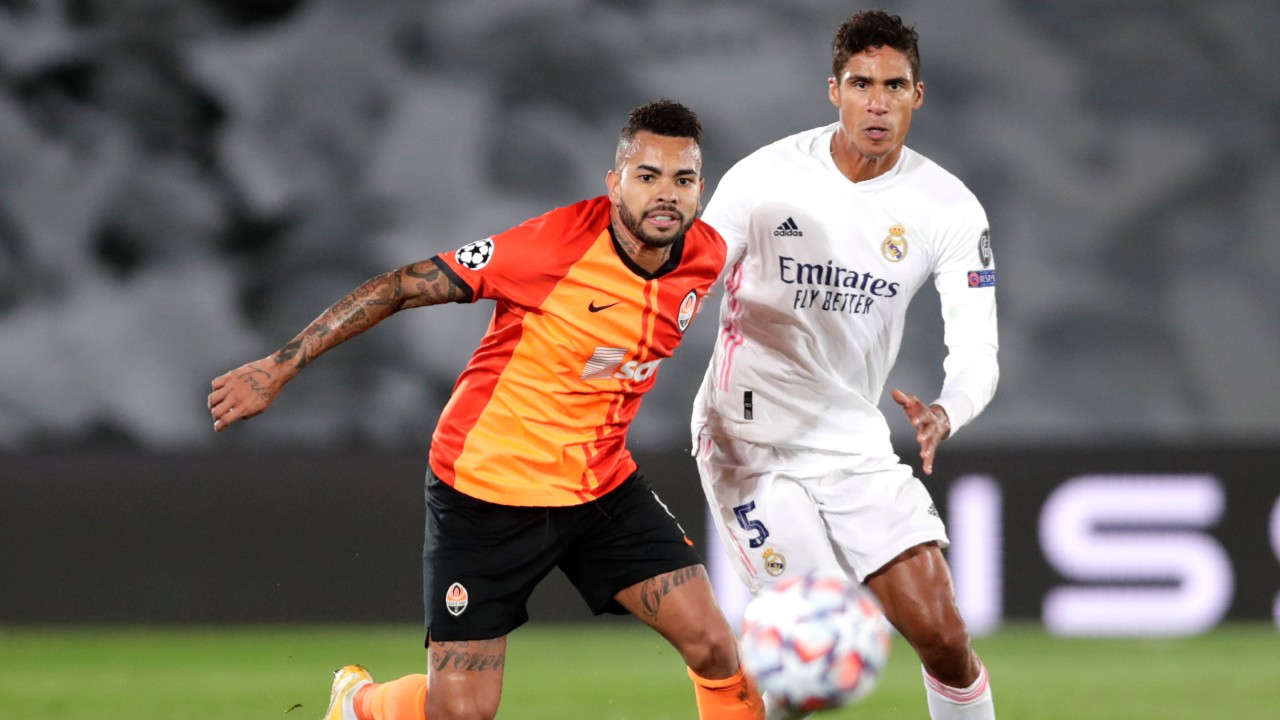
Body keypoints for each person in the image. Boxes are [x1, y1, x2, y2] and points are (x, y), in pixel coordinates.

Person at [207, 100, 764, 720]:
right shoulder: (552, 247)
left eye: (682, 179)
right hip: (487, 489)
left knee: (715, 645)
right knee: (462, 712)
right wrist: (281, 365)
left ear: (700, 190)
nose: (665, 194)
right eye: (647, 176)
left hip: (600, 485)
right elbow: (401, 286)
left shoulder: (705, 254)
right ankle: (358, 706)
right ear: (614, 184)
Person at [691, 10, 998, 720]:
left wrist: (949, 410)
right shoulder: (763, 178)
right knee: (811, 649)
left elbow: (977, 350)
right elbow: (684, 286)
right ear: (835, 90)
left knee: (946, 640)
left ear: (918, 95)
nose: (878, 103)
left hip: (852, 443)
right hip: (750, 442)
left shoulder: (948, 208)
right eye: (862, 84)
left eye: (894, 86)